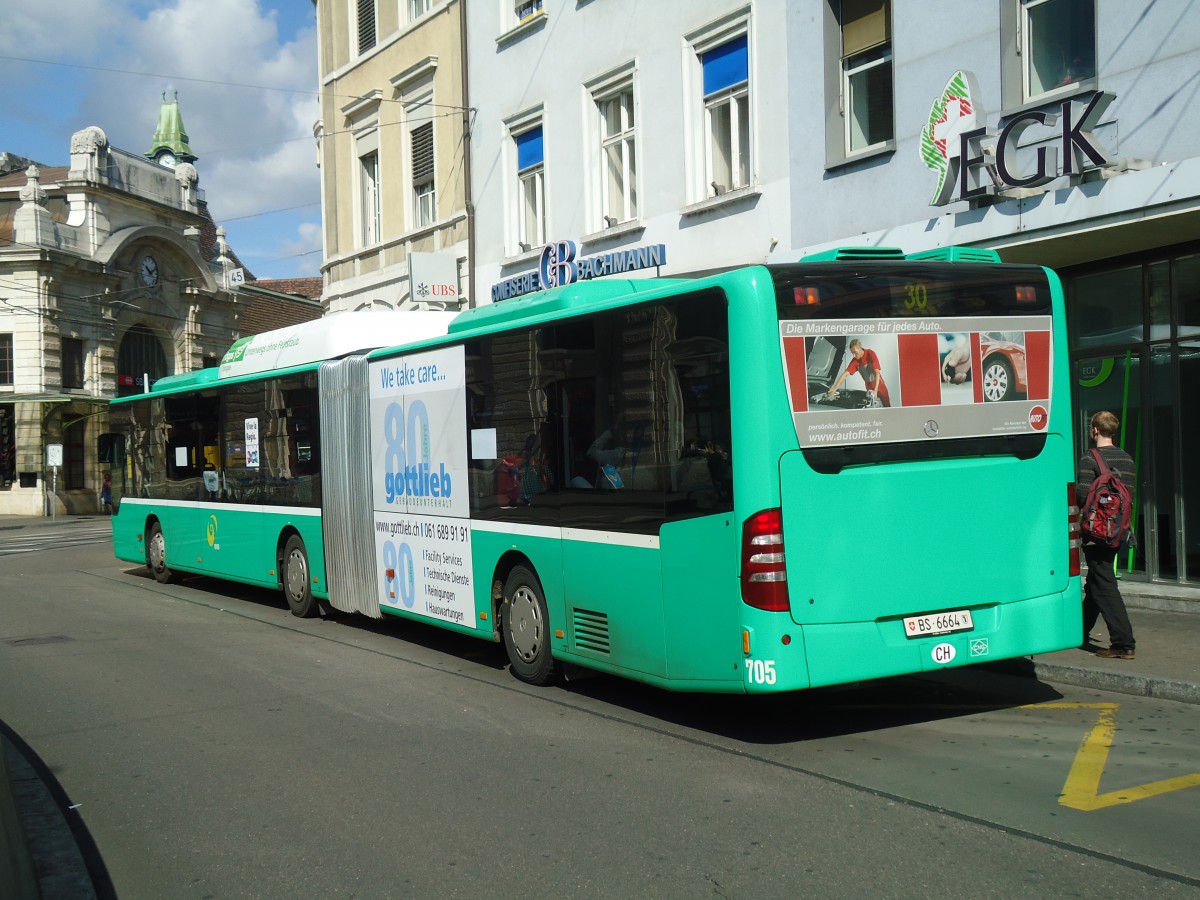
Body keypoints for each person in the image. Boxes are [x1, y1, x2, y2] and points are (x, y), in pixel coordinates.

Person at [1077, 410, 1137, 659]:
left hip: (1096, 533)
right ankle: (1078, 631)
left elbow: (1082, 496)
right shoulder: (1127, 459)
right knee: (1096, 583)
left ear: (1094, 430)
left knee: (1105, 584)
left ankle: (1123, 643)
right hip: (1117, 532)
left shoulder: (1089, 458)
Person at [827, 338, 891, 406]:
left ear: (860, 348)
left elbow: (877, 373)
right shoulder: (855, 361)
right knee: (872, 406)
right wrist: (835, 388)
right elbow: (845, 374)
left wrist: (875, 390)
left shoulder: (870, 353)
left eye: (855, 352)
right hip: (868, 386)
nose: (853, 355)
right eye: (852, 353)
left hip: (879, 385)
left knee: (887, 406)